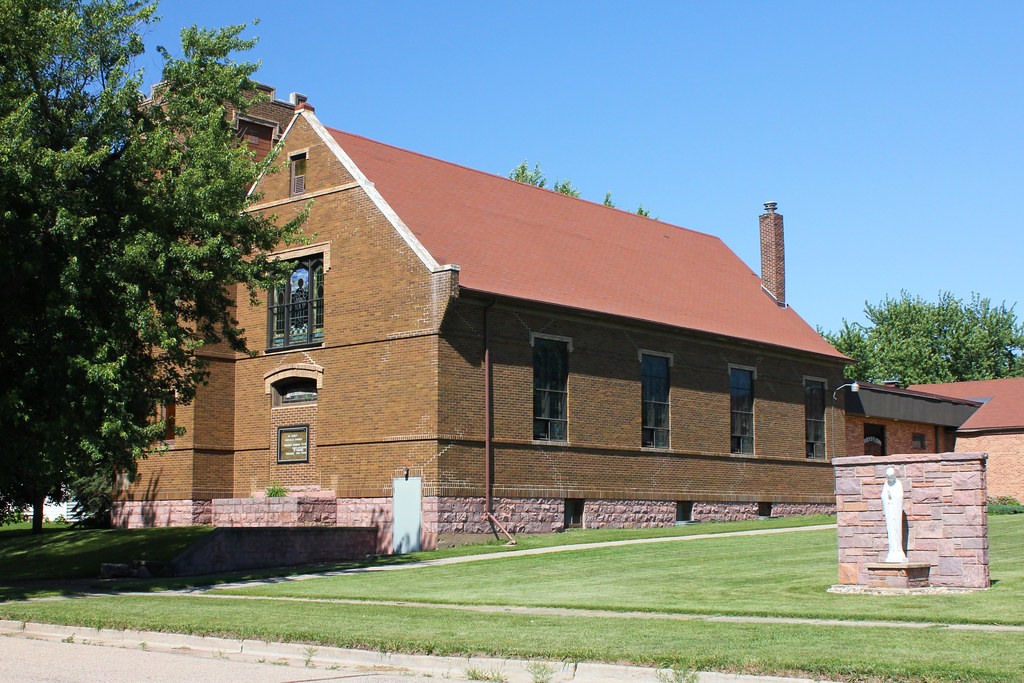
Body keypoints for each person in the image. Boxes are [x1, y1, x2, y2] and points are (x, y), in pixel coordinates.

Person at [881, 466, 907, 562]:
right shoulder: (886, 484)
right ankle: (892, 550)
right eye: (888, 477)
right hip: (889, 510)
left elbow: (900, 496)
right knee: (890, 529)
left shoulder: (898, 483)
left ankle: (898, 551)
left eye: (890, 476)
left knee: (896, 529)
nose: (889, 479)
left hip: (895, 510)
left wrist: (893, 496)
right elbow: (883, 495)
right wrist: (887, 497)